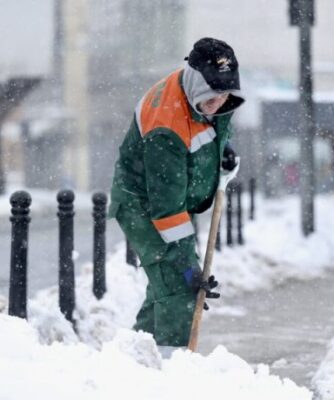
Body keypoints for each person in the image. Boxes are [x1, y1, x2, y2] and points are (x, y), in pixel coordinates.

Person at [108, 38, 245, 347]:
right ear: (196, 81)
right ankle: (171, 370)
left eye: (225, 94)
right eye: (212, 94)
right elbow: (166, 210)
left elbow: (209, 128)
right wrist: (187, 267)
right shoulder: (165, 128)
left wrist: (221, 151)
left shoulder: (203, 95)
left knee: (165, 288)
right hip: (142, 204)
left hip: (173, 198)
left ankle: (138, 360)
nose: (218, 102)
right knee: (180, 292)